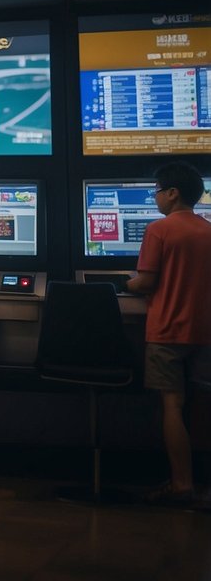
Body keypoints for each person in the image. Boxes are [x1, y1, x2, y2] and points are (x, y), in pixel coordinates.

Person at [126, 161, 211, 506]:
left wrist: (124, 284)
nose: (156, 198)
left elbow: (146, 281)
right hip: (205, 333)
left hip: (167, 332)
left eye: (157, 192)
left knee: (172, 406)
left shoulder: (159, 230)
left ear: (173, 193)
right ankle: (204, 484)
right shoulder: (207, 230)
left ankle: (181, 484)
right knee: (203, 406)